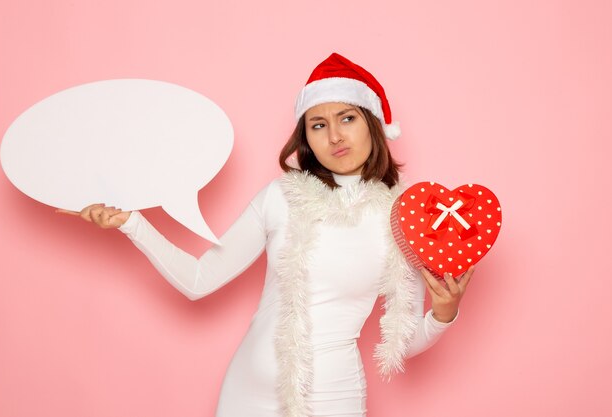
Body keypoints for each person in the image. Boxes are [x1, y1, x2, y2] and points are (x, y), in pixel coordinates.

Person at [57, 53, 473, 417]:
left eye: (347, 118)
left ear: (373, 125)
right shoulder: (281, 196)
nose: (334, 136)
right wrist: (132, 223)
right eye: (318, 124)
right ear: (305, 137)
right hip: (247, 393)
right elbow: (199, 281)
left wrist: (443, 313)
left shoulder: (406, 217)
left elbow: (399, 344)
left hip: (331, 398)